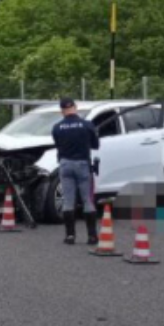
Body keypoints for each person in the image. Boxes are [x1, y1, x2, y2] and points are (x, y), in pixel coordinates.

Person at [52, 98, 100, 245]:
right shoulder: (87, 125)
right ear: (75, 107)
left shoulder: (57, 127)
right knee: (87, 200)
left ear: (62, 111)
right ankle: (92, 236)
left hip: (65, 164)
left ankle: (70, 236)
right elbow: (95, 145)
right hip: (82, 164)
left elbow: (58, 144)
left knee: (68, 201)